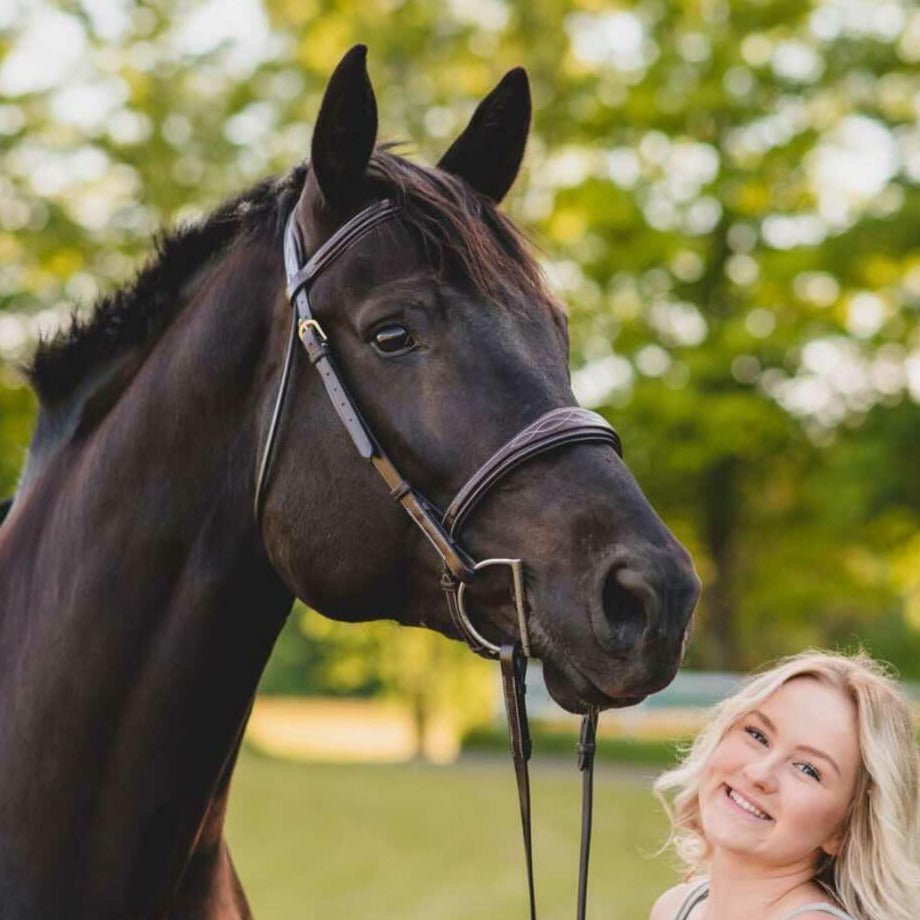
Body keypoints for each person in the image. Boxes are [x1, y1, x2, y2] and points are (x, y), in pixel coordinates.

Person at [650, 650, 920, 920]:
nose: (759, 774)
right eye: (757, 735)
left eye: (807, 769)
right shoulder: (675, 907)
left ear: (844, 830)